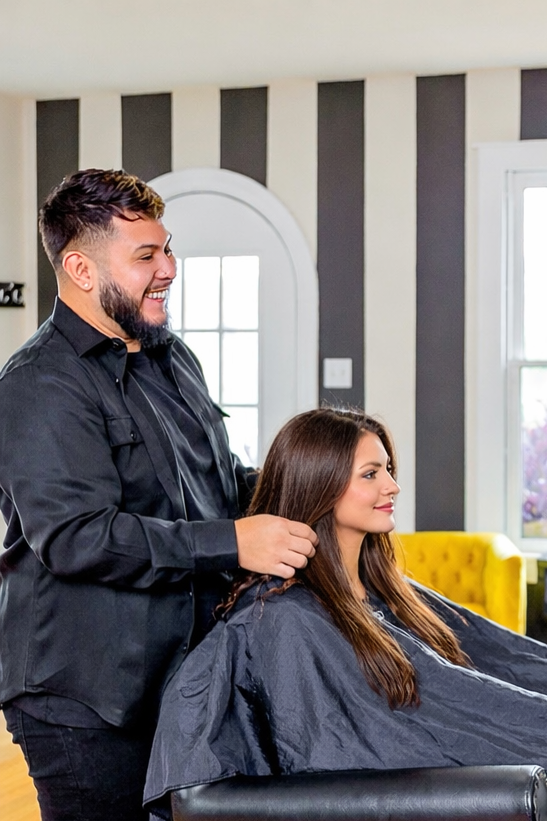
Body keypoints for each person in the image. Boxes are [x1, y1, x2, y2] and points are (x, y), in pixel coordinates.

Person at [0, 168, 317, 821]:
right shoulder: (38, 385)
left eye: (167, 248)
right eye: (145, 255)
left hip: (179, 681)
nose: (169, 268)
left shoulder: (172, 360)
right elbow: (77, 536)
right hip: (84, 701)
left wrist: (311, 493)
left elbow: (221, 481)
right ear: (82, 270)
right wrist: (234, 540)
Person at [144, 407, 547, 819]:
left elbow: (503, 660)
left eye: (388, 470)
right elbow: (339, 745)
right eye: (371, 474)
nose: (393, 486)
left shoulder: (385, 590)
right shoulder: (287, 618)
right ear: (320, 486)